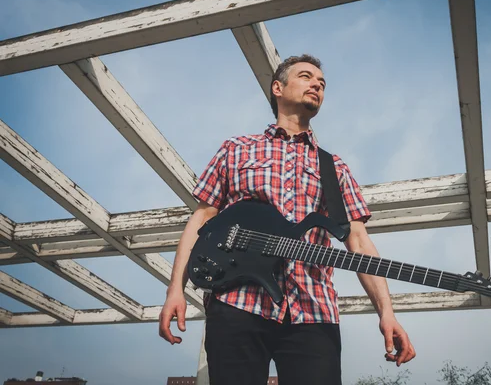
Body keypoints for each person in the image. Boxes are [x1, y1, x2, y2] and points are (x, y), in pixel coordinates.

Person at [159, 54, 416, 384]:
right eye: (307, 77)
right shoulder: (236, 149)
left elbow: (358, 240)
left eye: (322, 84)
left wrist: (387, 313)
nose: (317, 85)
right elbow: (202, 218)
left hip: (313, 310)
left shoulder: (334, 168)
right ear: (277, 88)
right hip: (238, 304)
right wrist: (175, 290)